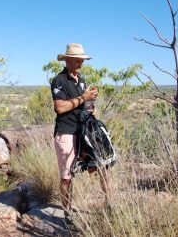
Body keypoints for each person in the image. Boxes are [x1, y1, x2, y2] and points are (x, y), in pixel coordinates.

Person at [51, 43, 110, 221]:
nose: (81, 63)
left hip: (83, 132)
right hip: (66, 132)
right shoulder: (59, 80)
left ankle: (110, 203)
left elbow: (82, 106)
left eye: (82, 60)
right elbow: (60, 108)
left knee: (101, 165)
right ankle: (67, 212)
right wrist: (83, 97)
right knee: (67, 176)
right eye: (77, 60)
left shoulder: (81, 80)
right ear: (67, 60)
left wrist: (90, 102)